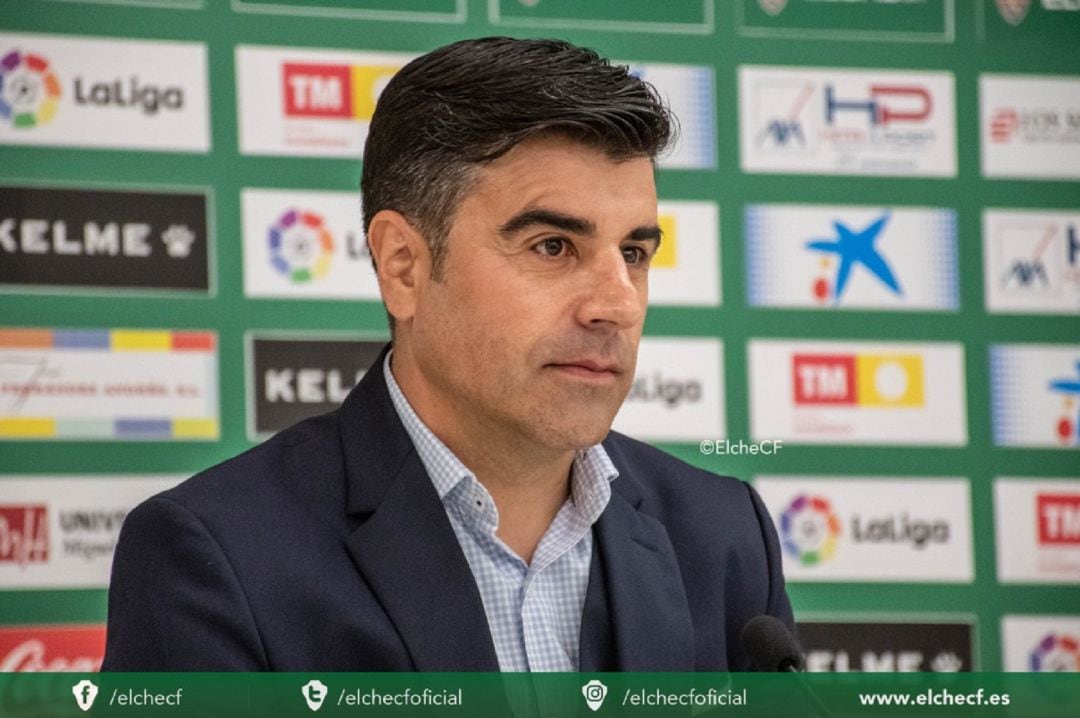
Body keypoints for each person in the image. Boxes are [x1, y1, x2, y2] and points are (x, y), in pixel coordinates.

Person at [102, 36, 794, 672]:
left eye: (634, 253)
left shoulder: (726, 538)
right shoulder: (212, 556)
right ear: (403, 265)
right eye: (553, 247)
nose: (618, 304)